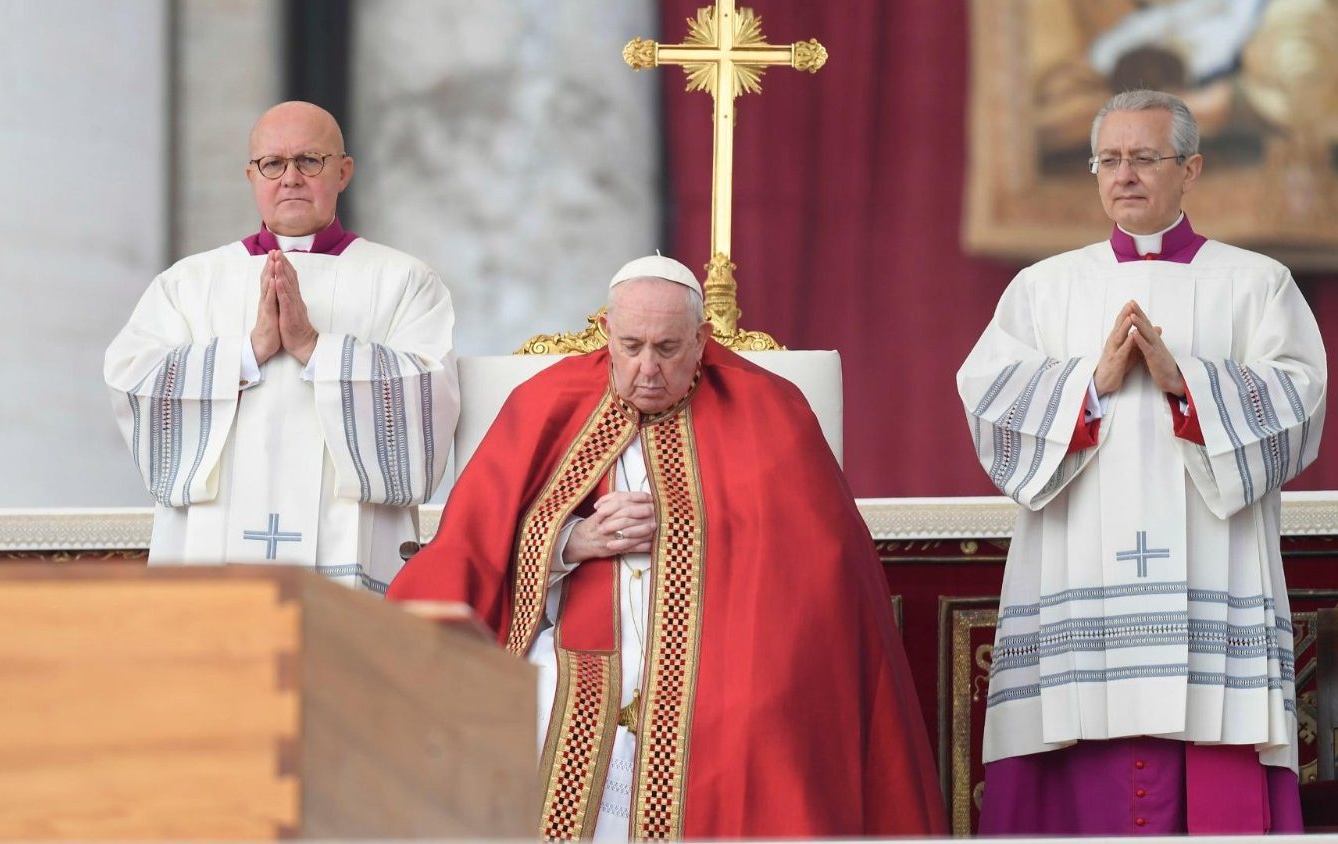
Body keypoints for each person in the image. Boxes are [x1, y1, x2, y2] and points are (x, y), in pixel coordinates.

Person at [388, 256, 946, 839]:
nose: (646, 369)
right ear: (607, 332)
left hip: (723, 649)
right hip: (575, 646)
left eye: (667, 348)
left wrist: (694, 526)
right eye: (630, 346)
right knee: (516, 707)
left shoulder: (770, 410)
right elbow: (474, 544)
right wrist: (572, 541)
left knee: (756, 719)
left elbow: (818, 570)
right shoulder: (545, 401)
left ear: (702, 341)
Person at [958, 89, 1326, 835]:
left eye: (1144, 158)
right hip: (1078, 562)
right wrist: (1088, 385)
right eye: (1110, 160)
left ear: (1189, 169)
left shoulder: (1256, 283)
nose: (1124, 175)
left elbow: (1299, 401)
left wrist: (1183, 384)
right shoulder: (1043, 288)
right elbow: (989, 403)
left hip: (1210, 563)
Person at [104, 101, 458, 593]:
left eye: (309, 160)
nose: (290, 178)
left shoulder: (405, 281)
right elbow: (132, 379)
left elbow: (429, 394)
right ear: (251, 175)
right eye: (273, 164)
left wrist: (316, 349)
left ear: (343, 171)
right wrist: (247, 352)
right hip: (212, 551)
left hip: (347, 558)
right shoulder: (188, 282)